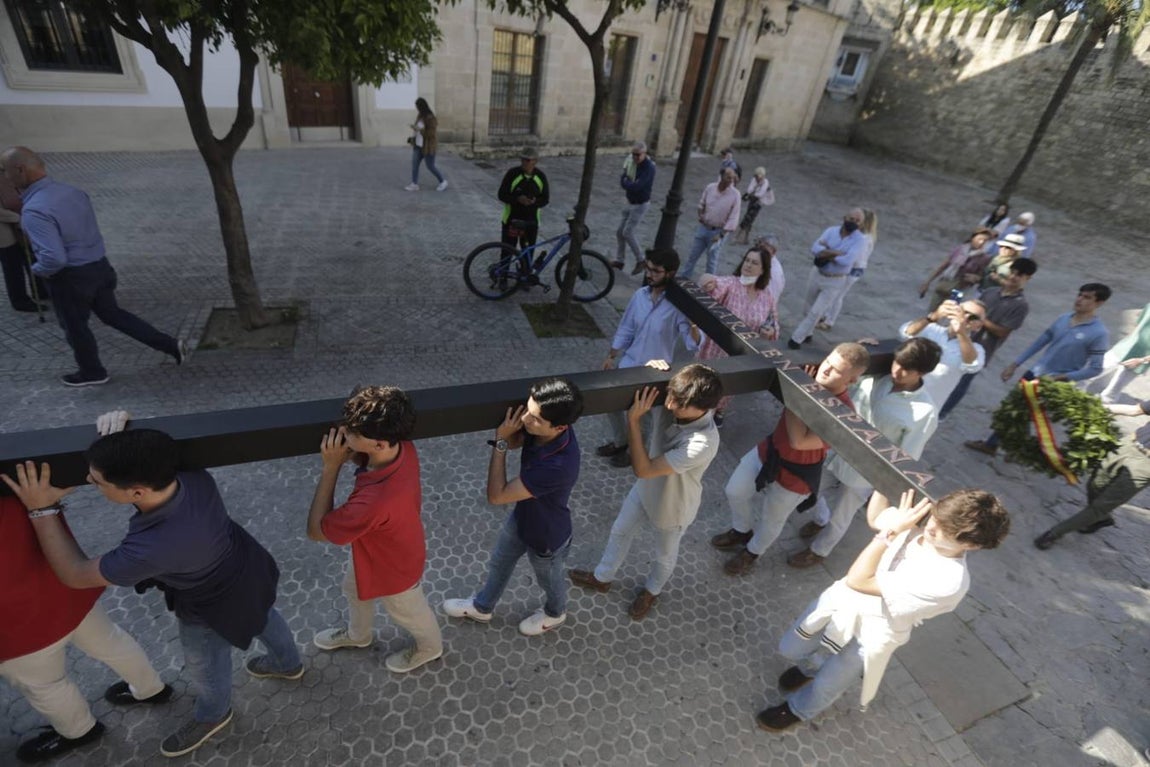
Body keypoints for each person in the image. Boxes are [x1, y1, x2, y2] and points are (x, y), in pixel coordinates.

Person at [2, 427, 304, 758]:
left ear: (137, 493)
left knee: (206, 666)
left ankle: (213, 715)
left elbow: (74, 575)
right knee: (263, 614)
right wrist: (121, 426)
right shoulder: (191, 475)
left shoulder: (150, 549)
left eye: (99, 482)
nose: (91, 483)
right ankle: (288, 663)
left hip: (209, 607)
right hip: (248, 567)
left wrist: (41, 510)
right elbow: (153, 446)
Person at [755, 488, 1010, 732]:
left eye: (948, 530)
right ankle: (808, 667)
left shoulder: (948, 581)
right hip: (843, 602)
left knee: (829, 683)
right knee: (790, 648)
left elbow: (860, 580)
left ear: (972, 545)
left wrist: (889, 533)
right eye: (938, 517)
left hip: (878, 630)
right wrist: (882, 478)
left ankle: (797, 709)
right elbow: (877, 517)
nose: (933, 527)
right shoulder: (923, 520)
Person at [0, 485, 171, 764]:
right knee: (112, 642)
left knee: (47, 685)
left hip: (15, 624)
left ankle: (79, 731)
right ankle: (151, 689)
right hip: (66, 584)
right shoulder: (15, 471)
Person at [0, 146, 184, 386]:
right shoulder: (72, 192)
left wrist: (37, 271)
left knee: (75, 327)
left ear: (20, 170)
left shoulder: (34, 210)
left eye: (4, 170)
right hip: (99, 267)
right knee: (114, 315)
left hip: (71, 278)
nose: (3, 176)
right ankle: (170, 345)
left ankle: (93, 372)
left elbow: (54, 258)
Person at [305, 386, 444, 672]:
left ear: (378, 444)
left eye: (352, 432)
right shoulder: (402, 446)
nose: (343, 431)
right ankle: (359, 635)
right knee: (352, 588)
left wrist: (331, 467)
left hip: (396, 569)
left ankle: (431, 648)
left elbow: (316, 532)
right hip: (375, 550)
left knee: (407, 612)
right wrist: (356, 451)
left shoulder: (373, 503)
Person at [570, 364, 723, 620]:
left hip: (672, 506)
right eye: (671, 396)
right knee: (620, 530)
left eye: (680, 403)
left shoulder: (703, 442)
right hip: (645, 491)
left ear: (704, 408)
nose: (670, 405)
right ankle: (602, 577)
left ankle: (652, 591)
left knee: (664, 555)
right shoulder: (678, 398)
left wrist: (632, 420)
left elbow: (643, 469)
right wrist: (650, 368)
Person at [711, 344, 870, 576]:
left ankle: (752, 552)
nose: (825, 370)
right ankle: (741, 530)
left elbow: (800, 442)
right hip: (770, 451)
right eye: (827, 361)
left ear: (852, 380)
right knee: (735, 490)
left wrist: (796, 394)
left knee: (772, 519)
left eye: (836, 370)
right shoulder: (807, 376)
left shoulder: (844, 412)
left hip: (797, 475)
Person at [443, 378, 583, 635]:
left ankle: (556, 613)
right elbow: (521, 437)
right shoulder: (544, 425)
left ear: (561, 427)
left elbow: (496, 496)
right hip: (522, 518)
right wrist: (513, 432)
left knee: (549, 581)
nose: (526, 420)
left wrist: (501, 442)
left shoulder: (559, 465)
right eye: (527, 409)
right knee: (499, 563)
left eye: (535, 419)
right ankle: (482, 607)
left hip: (546, 538)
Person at [792, 338, 942, 568]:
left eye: (905, 369)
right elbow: (848, 377)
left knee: (843, 514)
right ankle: (820, 519)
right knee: (812, 490)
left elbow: (908, 454)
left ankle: (819, 551)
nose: (896, 371)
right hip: (835, 451)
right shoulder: (876, 376)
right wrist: (863, 348)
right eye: (896, 363)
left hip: (865, 472)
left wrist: (882, 487)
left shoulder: (925, 412)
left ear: (921, 373)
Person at [966, 284, 1111, 456]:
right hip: (1035, 373)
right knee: (1014, 410)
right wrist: (1015, 364)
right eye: (1080, 295)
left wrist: (1063, 377)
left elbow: (1095, 368)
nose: (1079, 300)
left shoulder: (1099, 333)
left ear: (1099, 303)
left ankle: (1000, 445)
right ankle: (996, 444)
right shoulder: (1063, 319)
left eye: (1087, 297)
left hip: (1055, 384)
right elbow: (1040, 342)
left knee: (1025, 414)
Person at [597, 248, 700, 467]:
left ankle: (635, 452)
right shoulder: (639, 296)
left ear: (670, 273)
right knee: (610, 404)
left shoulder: (676, 306)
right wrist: (611, 355)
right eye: (648, 268)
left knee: (640, 415)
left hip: (653, 370)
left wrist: (693, 320)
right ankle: (620, 441)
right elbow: (626, 327)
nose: (650, 274)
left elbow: (693, 343)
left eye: (656, 270)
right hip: (629, 363)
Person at [1034, 399, 1150, 549]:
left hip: (1145, 466)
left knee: (1101, 505)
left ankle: (1054, 533)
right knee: (1095, 483)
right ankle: (1101, 519)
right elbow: (1134, 410)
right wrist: (1097, 408)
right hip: (1128, 445)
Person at [939, 258, 1037, 420]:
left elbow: (1002, 332)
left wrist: (979, 319)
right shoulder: (990, 292)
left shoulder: (1021, 305)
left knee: (961, 382)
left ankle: (942, 413)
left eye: (1019, 275)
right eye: (1013, 272)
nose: (1013, 277)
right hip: (959, 339)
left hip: (981, 349)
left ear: (1028, 278)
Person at [696, 246, 780, 422]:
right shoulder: (731, 284)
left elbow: (773, 324)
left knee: (728, 388)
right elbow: (712, 285)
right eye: (747, 260)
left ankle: (719, 411)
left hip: (740, 355)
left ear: (763, 269)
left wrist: (769, 332)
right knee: (704, 389)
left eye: (754, 263)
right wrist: (707, 280)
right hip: (716, 351)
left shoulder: (767, 296)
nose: (748, 265)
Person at [787, 209, 868, 350]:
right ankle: (808, 332)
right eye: (851, 218)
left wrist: (826, 252)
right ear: (845, 217)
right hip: (817, 273)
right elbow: (814, 248)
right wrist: (836, 253)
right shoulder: (831, 231)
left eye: (857, 221)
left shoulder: (860, 240)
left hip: (835, 280)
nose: (853, 222)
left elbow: (847, 260)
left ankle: (796, 339)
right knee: (807, 307)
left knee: (816, 311)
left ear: (861, 224)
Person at [898, 299, 986, 407]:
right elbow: (905, 332)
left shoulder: (977, 350)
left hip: (925, 406)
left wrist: (961, 333)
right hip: (898, 394)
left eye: (973, 317)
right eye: (963, 311)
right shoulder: (931, 329)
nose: (966, 318)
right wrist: (932, 317)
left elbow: (972, 365)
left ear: (978, 327)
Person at [819, 208, 877, 331]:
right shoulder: (867, 237)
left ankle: (829, 320)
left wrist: (837, 254)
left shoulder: (864, 238)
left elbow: (856, 257)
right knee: (835, 294)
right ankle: (825, 315)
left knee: (837, 295)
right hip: (856, 269)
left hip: (853, 269)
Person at [681, 168, 741, 279]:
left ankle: (709, 286)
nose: (731, 180)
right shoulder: (710, 188)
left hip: (718, 231)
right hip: (704, 227)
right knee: (692, 256)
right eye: (728, 177)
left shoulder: (735, 195)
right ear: (722, 176)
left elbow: (733, 218)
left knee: (712, 261)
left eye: (733, 178)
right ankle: (683, 278)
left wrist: (721, 235)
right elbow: (702, 203)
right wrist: (701, 215)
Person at [918, 227, 995, 312]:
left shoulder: (984, 258)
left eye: (985, 241)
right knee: (932, 312)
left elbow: (981, 276)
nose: (981, 242)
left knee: (948, 312)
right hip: (946, 282)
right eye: (979, 239)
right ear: (973, 237)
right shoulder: (960, 249)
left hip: (960, 288)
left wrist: (975, 278)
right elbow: (943, 266)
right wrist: (927, 282)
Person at [0, 175, 45, 312]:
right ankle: (20, 300)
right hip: (4, 231)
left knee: (31, 257)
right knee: (13, 266)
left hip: (21, 223)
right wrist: (18, 218)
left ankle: (40, 291)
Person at [615, 141, 656, 274]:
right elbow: (623, 179)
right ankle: (620, 261)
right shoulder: (631, 162)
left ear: (645, 154)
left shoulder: (649, 168)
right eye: (633, 154)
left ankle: (641, 260)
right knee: (619, 232)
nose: (635, 157)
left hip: (640, 204)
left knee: (627, 232)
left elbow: (638, 186)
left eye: (638, 155)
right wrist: (628, 183)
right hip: (629, 201)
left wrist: (628, 183)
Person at [497, 147, 550, 250]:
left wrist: (534, 202)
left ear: (535, 161)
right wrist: (517, 199)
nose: (525, 163)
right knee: (507, 252)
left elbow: (545, 199)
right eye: (523, 159)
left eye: (528, 160)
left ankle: (524, 267)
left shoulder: (541, 177)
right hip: (512, 220)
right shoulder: (512, 173)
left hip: (531, 222)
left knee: (527, 255)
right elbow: (501, 194)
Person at [1097, 302, 1150, 403]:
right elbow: (1139, 323)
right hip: (1125, 347)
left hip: (1140, 360)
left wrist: (1141, 360)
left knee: (1110, 394)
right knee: (1091, 370)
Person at [405, 98, 448, 192]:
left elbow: (431, 134)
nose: (416, 108)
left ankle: (443, 181)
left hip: (428, 146)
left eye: (417, 106)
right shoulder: (420, 115)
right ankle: (414, 184)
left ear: (422, 106)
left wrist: (419, 130)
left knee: (430, 166)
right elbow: (418, 130)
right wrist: (414, 133)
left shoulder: (431, 118)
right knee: (414, 165)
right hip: (418, 145)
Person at [734, 167, 773, 244]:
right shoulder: (755, 180)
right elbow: (750, 189)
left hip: (758, 203)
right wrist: (749, 194)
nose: (757, 178)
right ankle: (745, 238)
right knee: (749, 220)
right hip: (753, 201)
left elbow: (759, 194)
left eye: (758, 177)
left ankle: (737, 237)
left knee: (747, 218)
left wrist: (749, 195)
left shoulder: (765, 182)